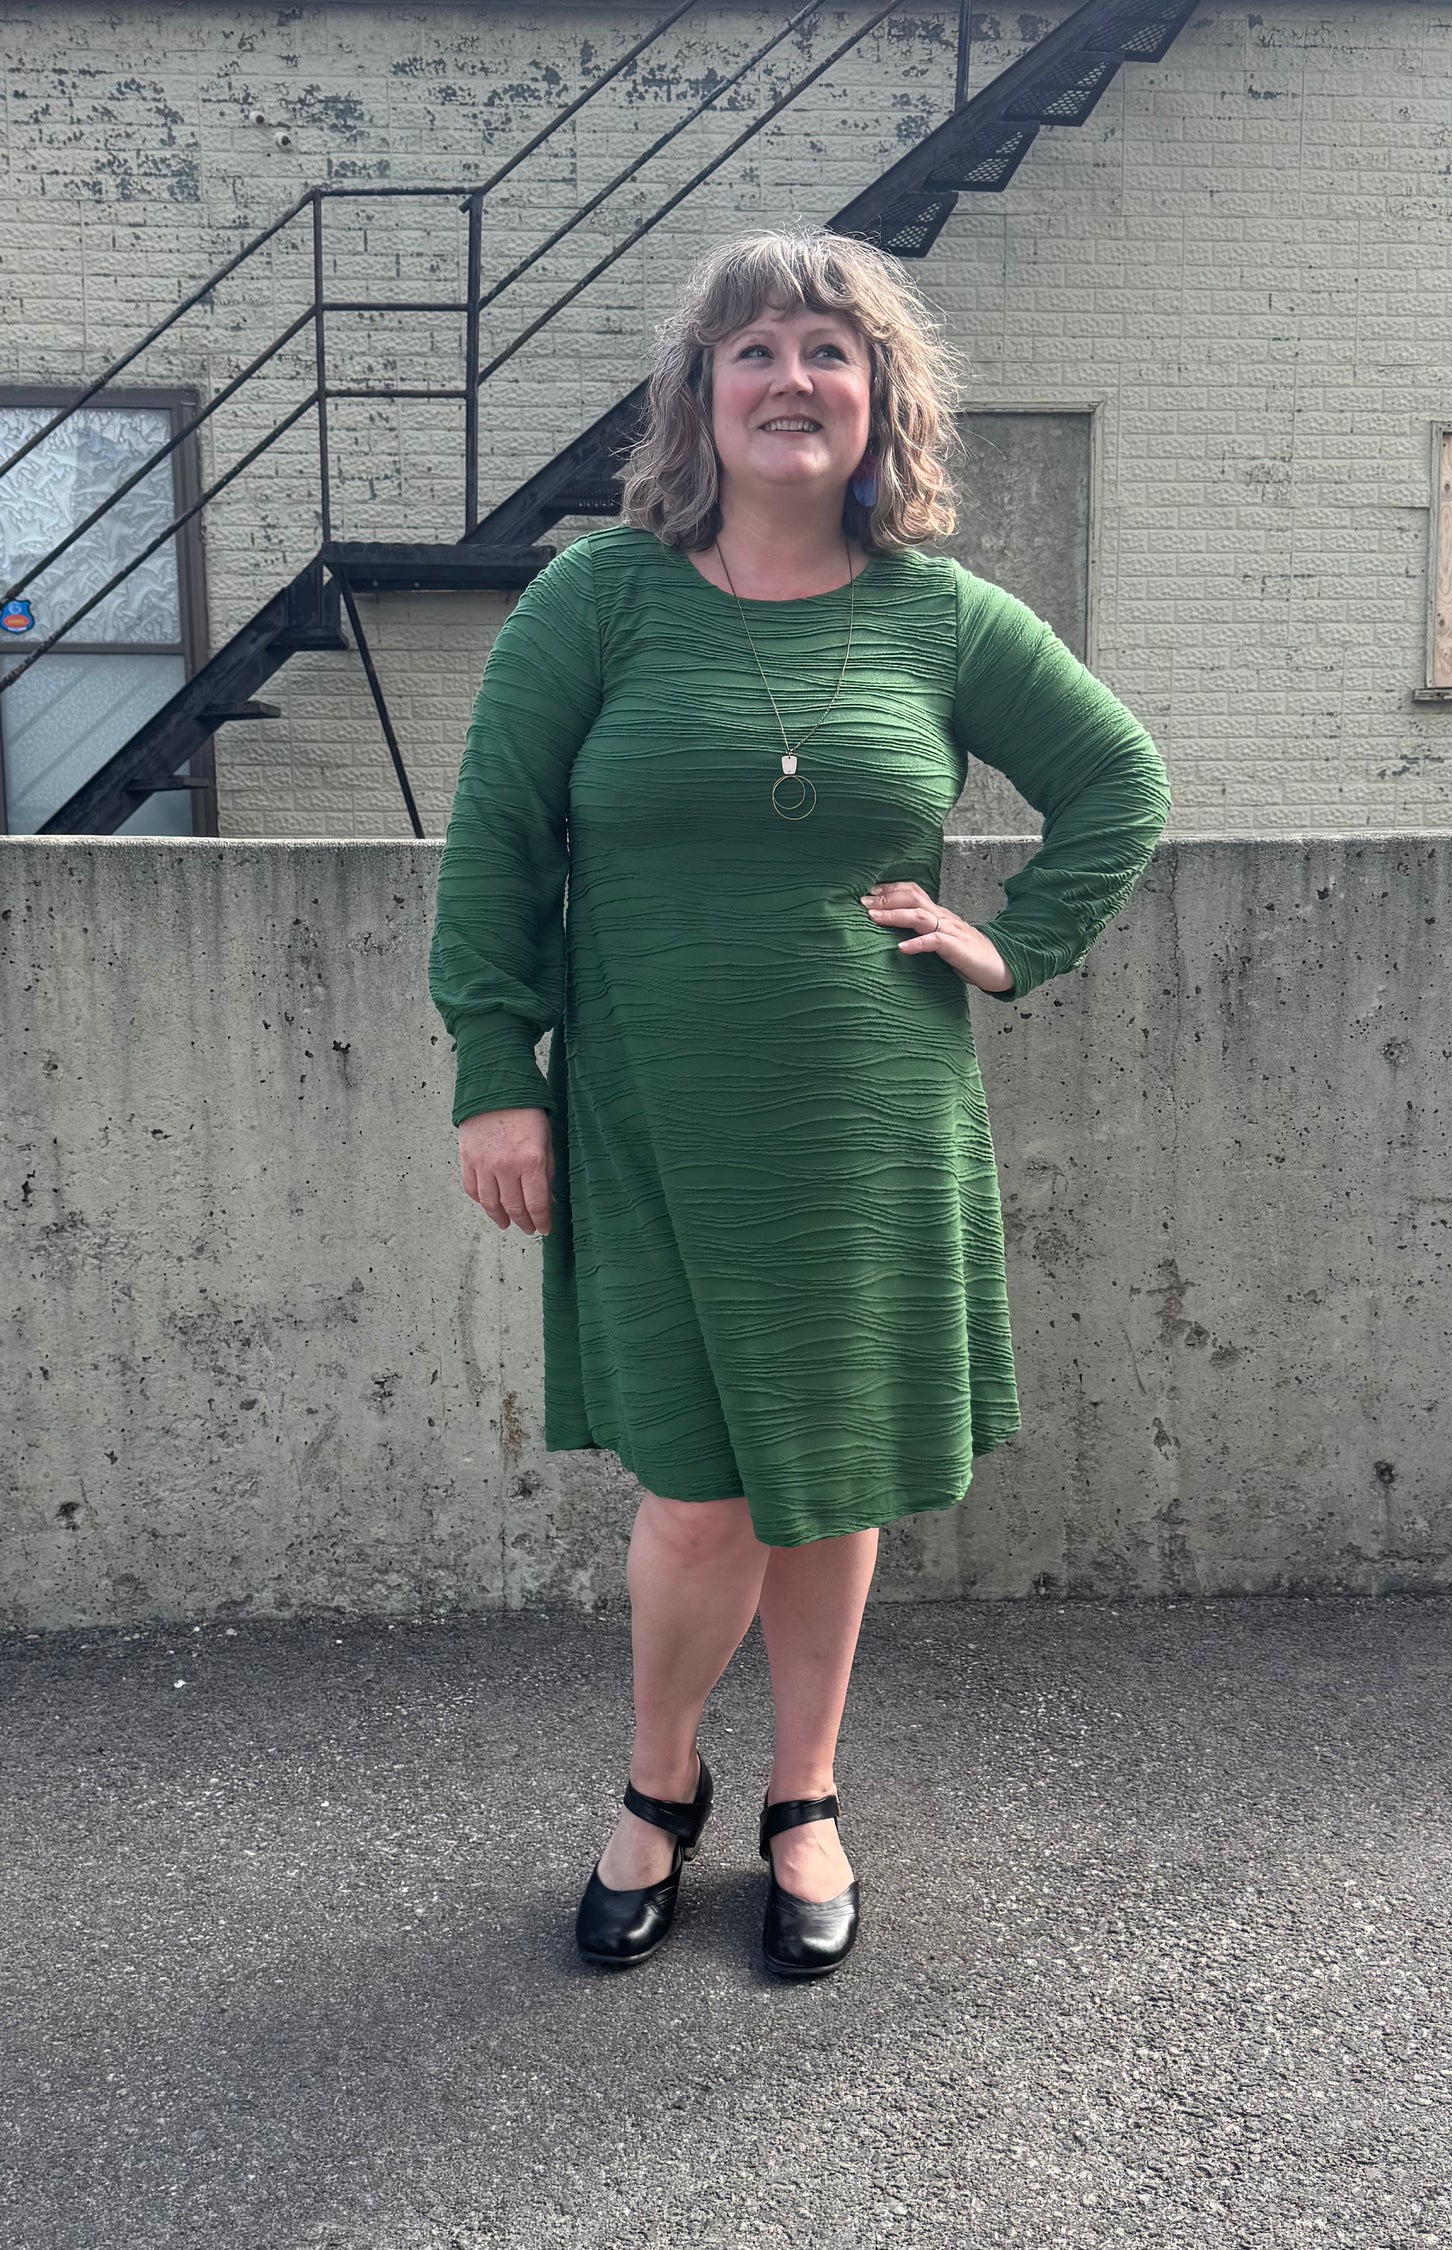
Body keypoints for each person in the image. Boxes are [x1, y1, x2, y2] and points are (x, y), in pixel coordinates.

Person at [427, 227, 1171, 1981]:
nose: (791, 379)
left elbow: (1118, 785)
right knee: (696, 1490)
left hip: (863, 1116)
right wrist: (492, 1076)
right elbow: (496, 856)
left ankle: (806, 1794)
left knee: (827, 1481)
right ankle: (658, 1783)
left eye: (830, 352)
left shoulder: (942, 613)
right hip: (649, 1111)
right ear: (700, 391)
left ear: (880, 399)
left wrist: (1013, 945)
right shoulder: (595, 600)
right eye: (754, 349)